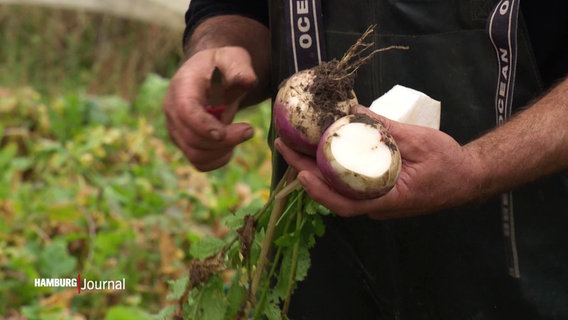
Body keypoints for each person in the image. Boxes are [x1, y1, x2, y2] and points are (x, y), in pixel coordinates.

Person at [164, 0, 568, 318]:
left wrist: (478, 167)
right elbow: (236, 8)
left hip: (516, 263)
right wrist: (217, 50)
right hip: (321, 268)